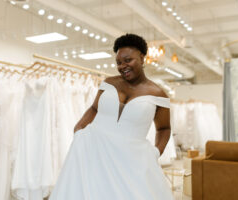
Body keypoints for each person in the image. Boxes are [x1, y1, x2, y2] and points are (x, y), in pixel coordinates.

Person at [49, 33, 174, 200]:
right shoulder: (108, 83)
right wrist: (78, 128)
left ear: (142, 58)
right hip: (94, 150)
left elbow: (164, 128)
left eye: (128, 60)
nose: (122, 66)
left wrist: (155, 152)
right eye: (118, 62)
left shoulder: (158, 94)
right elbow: (94, 108)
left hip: (132, 160)